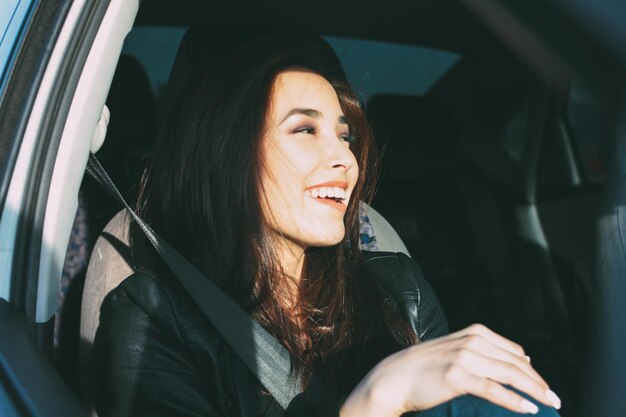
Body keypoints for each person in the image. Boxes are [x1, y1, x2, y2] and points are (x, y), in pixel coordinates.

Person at [90, 33, 562, 417]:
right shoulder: (150, 317)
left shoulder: (399, 290)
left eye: (345, 136)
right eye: (305, 129)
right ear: (225, 153)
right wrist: (374, 403)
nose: (345, 159)